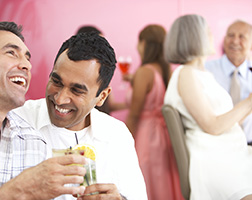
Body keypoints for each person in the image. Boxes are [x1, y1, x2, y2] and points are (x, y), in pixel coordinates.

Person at [0, 21, 88, 200]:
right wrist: (17, 191)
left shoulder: (34, 144)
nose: (27, 65)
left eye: (27, 58)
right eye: (11, 53)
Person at [14, 32, 148, 200]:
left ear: (102, 97)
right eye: (56, 81)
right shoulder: (16, 122)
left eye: (77, 91)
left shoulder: (116, 134)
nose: (60, 99)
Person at [164, 14, 252, 200]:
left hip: (230, 153)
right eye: (209, 32)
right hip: (216, 159)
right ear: (196, 37)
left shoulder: (201, 74)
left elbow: (225, 120)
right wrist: (249, 101)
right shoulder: (186, 74)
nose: (213, 37)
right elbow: (212, 125)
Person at [123, 24, 183, 200]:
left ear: (144, 44)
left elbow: (134, 114)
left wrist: (123, 142)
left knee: (145, 182)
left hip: (145, 136)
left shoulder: (144, 72)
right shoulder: (166, 71)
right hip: (164, 137)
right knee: (162, 180)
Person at [205, 20, 252, 144]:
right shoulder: (206, 71)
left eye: (242, 37)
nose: (235, 41)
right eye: (231, 36)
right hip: (217, 143)